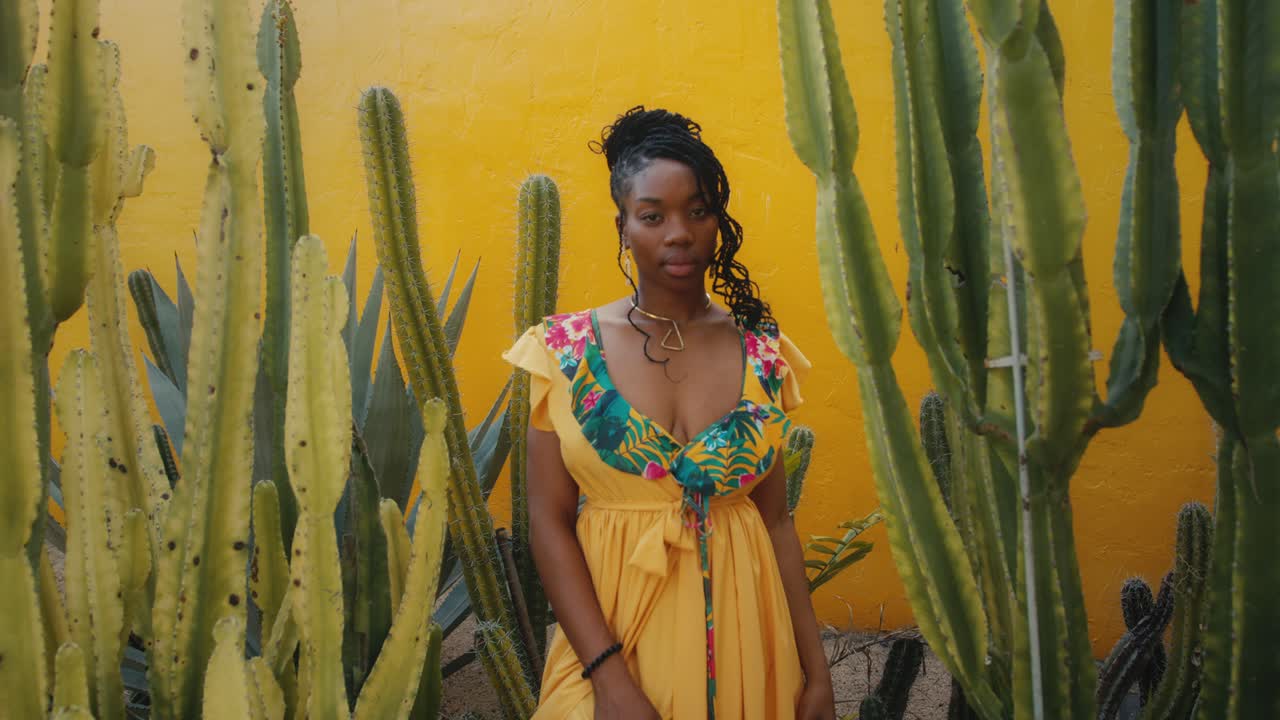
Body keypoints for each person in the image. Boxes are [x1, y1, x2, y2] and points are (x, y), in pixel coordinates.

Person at [503, 106, 835, 719]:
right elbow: (548, 522)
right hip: (612, 649)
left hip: (748, 648)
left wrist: (815, 674)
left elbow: (778, 524)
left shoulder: (763, 354)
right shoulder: (564, 352)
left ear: (717, 221)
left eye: (698, 210)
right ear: (624, 226)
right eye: (653, 216)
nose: (678, 232)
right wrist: (608, 680)